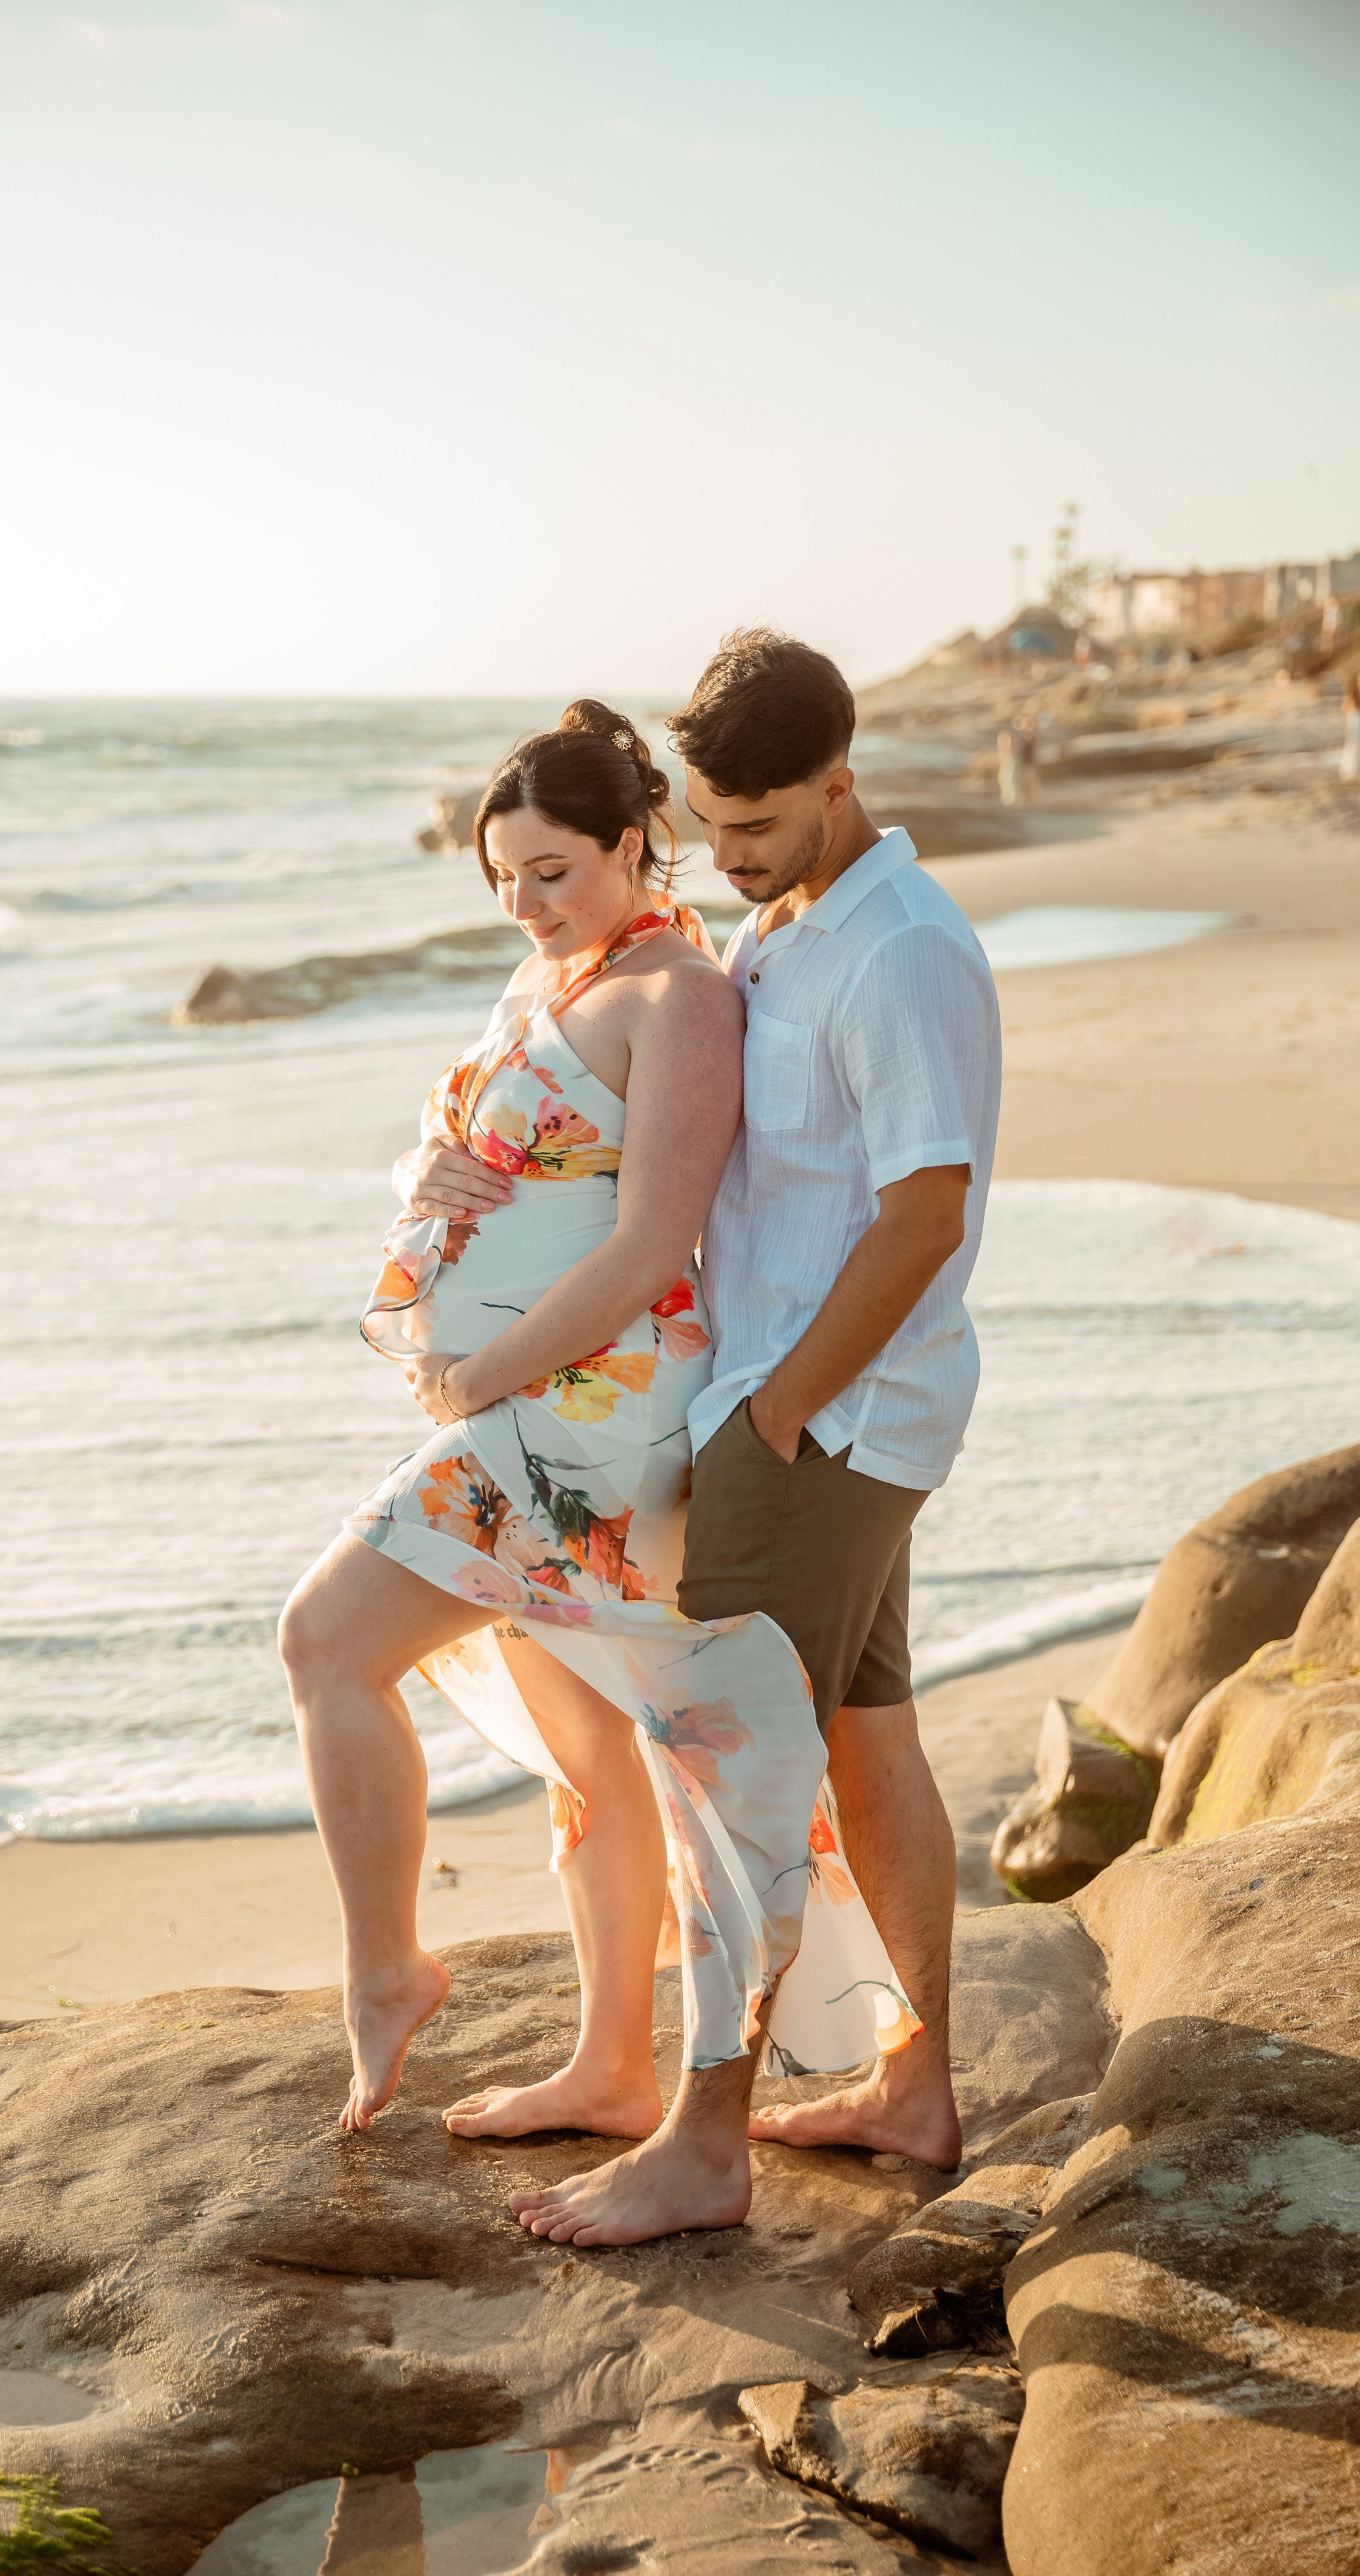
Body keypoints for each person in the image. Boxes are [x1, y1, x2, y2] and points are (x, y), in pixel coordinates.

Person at [278, 702, 921, 2151]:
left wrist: (478, 1373)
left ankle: (385, 1969)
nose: (525, 901)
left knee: (323, 1639)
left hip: (590, 1408)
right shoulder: (545, 979)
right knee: (589, 1759)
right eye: (501, 876)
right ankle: (608, 2068)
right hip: (529, 1396)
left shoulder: (675, 998)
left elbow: (649, 1245)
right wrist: (430, 1171)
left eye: (554, 869)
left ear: (636, 847)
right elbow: (518, 1151)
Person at [508, 632, 1001, 2247]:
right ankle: (911, 2084)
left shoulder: (900, 952)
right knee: (867, 1736)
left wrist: (781, 1405)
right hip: (811, 1408)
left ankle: (700, 2141)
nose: (725, 856)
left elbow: (924, 1211)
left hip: (825, 1419)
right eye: (709, 827)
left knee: (730, 1771)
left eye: (760, 826)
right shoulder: (792, 923)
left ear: (840, 776)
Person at [1339, 670, 1359, 785]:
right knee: (1353, 744)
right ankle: (1353, 768)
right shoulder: (1353, 694)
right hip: (1354, 721)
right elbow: (1345, 707)